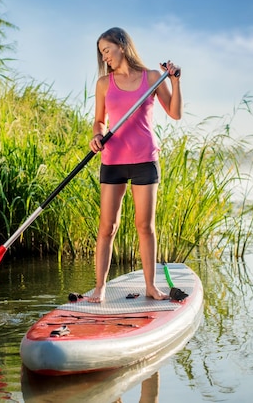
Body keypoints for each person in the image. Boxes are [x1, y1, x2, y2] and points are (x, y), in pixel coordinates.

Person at [87, 27, 182, 303]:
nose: (105, 58)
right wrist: (96, 135)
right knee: (108, 226)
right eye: (102, 54)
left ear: (122, 45)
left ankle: (151, 286)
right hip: (113, 160)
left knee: (145, 226)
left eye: (107, 50)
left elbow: (174, 113)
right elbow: (99, 120)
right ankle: (100, 288)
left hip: (145, 160)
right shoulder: (104, 84)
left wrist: (175, 81)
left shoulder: (152, 78)